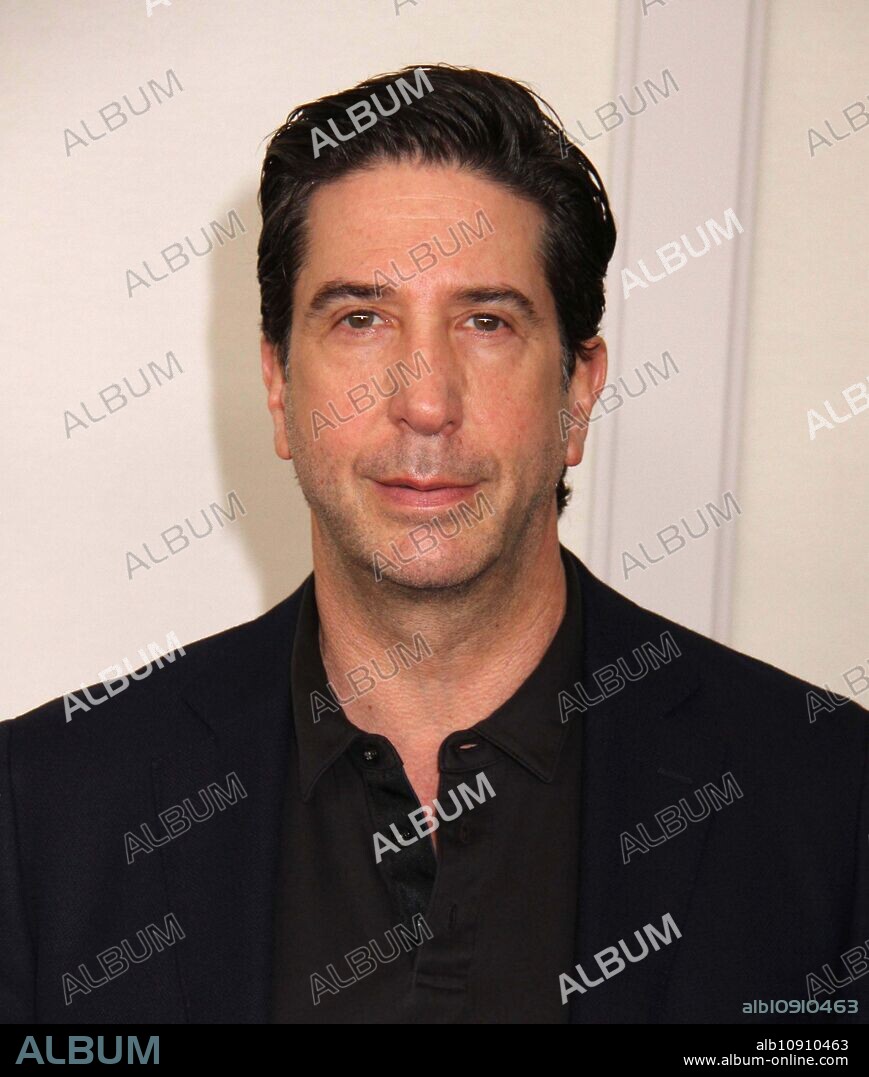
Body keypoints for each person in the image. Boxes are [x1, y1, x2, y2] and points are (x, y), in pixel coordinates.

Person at [2, 64, 866, 1026]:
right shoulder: (46, 813)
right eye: (361, 319)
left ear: (578, 394)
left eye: (486, 322)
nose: (425, 401)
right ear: (280, 386)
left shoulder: (828, 800)